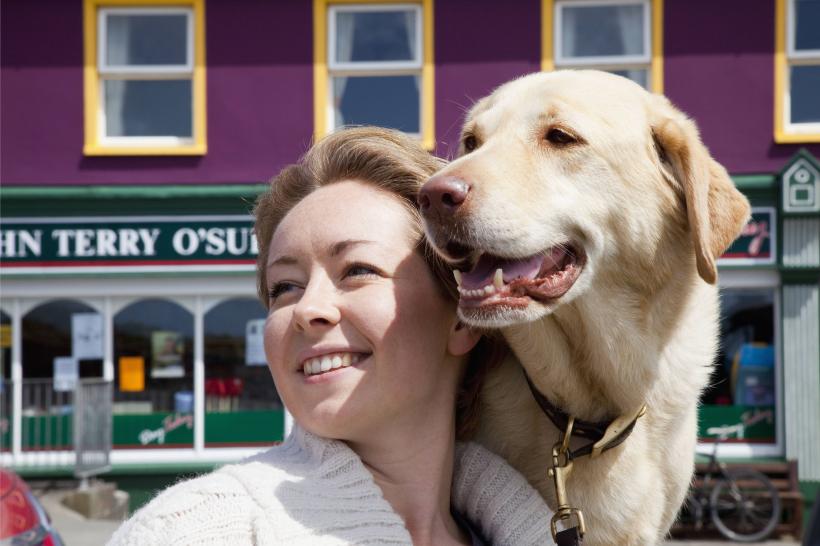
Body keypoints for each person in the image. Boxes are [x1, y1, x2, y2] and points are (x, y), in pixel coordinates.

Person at [107, 127, 553, 546]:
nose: (307, 309)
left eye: (357, 270)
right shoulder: (193, 532)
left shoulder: (541, 525)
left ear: (461, 318)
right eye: (284, 287)